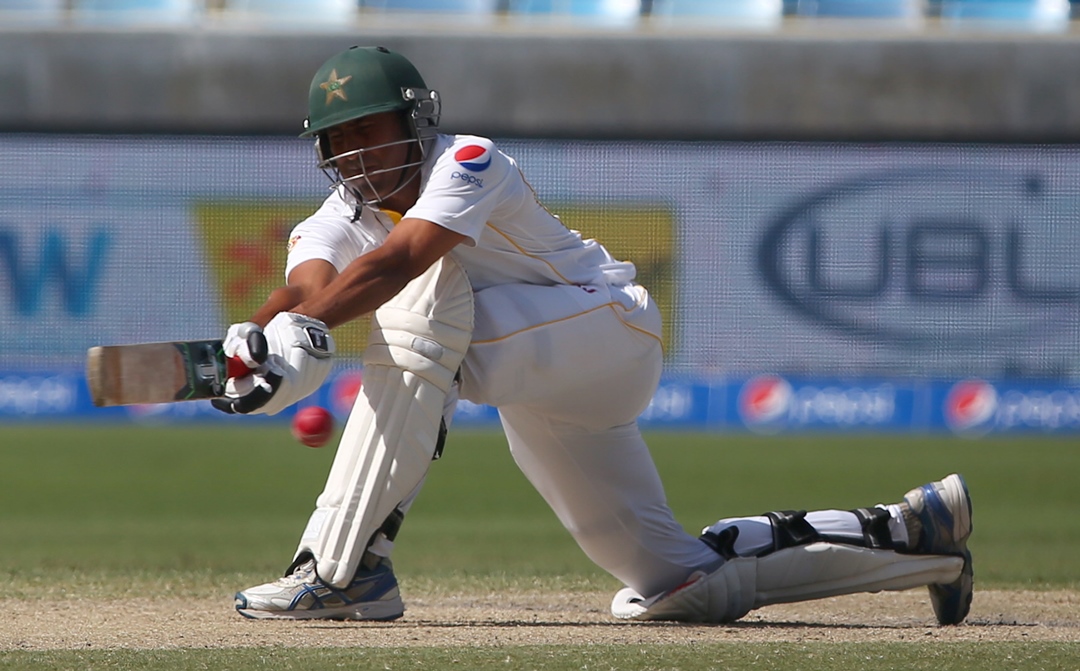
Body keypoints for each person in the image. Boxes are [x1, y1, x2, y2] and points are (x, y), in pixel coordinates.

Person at [214, 46, 974, 626]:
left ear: (415, 122)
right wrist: (263, 334)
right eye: (338, 140)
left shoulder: (468, 162)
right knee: (681, 584)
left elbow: (400, 259)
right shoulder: (335, 217)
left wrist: (303, 331)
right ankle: (918, 534)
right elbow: (311, 285)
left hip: (605, 330)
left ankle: (343, 570)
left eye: (370, 132)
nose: (357, 155)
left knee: (417, 302)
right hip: (533, 381)